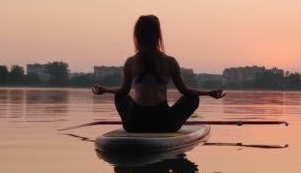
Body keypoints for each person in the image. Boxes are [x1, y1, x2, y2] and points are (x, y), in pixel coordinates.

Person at [92, 15, 225, 132]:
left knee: (120, 97)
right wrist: (208, 93)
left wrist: (105, 90)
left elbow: (123, 90)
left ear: (137, 36)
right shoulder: (169, 61)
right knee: (192, 98)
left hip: (134, 124)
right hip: (164, 124)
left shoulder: (131, 62)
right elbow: (185, 91)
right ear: (157, 36)